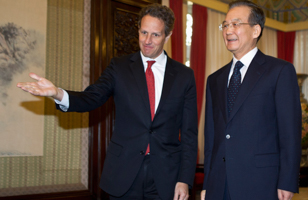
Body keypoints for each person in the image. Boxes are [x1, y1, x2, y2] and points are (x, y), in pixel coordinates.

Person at [17, 4, 198, 200]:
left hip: (166, 178)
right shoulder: (119, 67)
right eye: (143, 32)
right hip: (124, 174)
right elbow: (91, 97)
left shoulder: (184, 76)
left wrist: (184, 179)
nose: (147, 41)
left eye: (155, 35)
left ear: (167, 35)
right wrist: (58, 93)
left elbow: (189, 133)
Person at [201, 1, 301, 200]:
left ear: (256, 30)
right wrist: (207, 183)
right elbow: (211, 138)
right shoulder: (215, 79)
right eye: (225, 25)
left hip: (261, 181)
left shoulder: (279, 71)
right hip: (219, 183)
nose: (228, 30)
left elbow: (290, 132)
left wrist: (287, 181)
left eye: (236, 24)